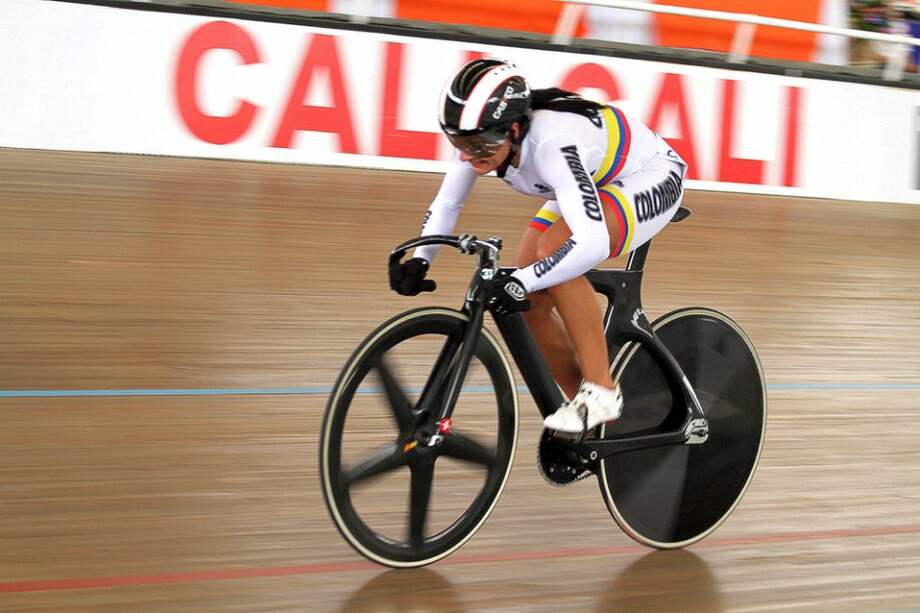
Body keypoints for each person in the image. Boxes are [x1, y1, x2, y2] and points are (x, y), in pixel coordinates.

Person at [389, 58, 687, 434]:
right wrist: (421, 258)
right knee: (527, 300)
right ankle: (587, 415)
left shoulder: (551, 143)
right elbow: (448, 204)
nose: (468, 156)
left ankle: (601, 392)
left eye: (477, 145)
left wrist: (527, 278)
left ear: (513, 129)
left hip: (650, 175)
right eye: (458, 143)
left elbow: (590, 243)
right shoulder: (481, 137)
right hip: (593, 178)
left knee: (552, 255)